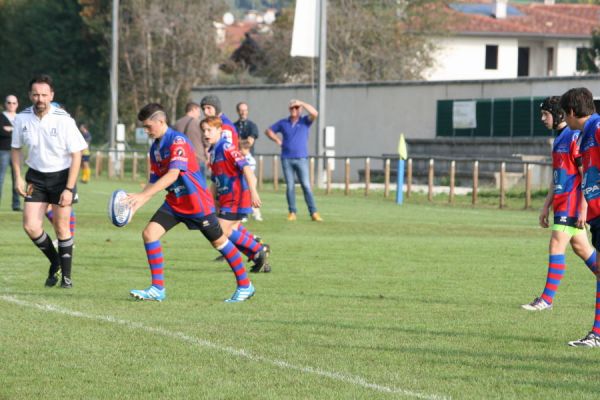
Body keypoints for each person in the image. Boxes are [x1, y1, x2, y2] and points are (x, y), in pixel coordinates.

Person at [126, 103, 255, 302]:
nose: (146, 130)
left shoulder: (178, 141)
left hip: (196, 203)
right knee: (149, 234)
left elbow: (173, 174)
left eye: (148, 126)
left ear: (161, 121)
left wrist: (142, 197)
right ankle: (157, 288)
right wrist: (136, 204)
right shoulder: (155, 148)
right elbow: (153, 180)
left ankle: (245, 285)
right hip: (175, 201)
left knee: (220, 242)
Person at [11, 75, 87, 289]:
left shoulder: (64, 119)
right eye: (36, 94)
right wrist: (17, 177)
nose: (40, 98)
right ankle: (55, 261)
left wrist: (69, 188)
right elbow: (16, 149)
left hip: (62, 177)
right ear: (30, 95)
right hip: (35, 177)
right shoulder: (22, 118)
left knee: (62, 227)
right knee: (30, 226)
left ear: (51, 96)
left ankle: (67, 278)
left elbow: (77, 154)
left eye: (44, 95)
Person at [521, 96, 596, 311]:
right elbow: (557, 178)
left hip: (573, 203)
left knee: (556, 244)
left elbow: (586, 174)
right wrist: (546, 205)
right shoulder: (560, 138)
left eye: (546, 114)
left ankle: (546, 299)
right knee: (582, 248)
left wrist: (583, 207)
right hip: (562, 203)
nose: (543, 118)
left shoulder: (573, 137)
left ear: (560, 114)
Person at [202, 116, 270, 273]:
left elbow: (246, 168)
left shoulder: (227, 147)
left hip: (237, 196)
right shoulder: (212, 152)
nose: (205, 133)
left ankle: (258, 249)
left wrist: (253, 192)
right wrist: (212, 200)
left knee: (221, 230)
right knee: (231, 229)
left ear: (219, 130)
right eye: (203, 130)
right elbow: (215, 180)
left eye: (209, 130)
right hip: (226, 199)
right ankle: (257, 256)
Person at [559, 87, 600, 347]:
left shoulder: (596, 127)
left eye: (565, 114)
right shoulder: (586, 133)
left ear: (572, 112)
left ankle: (597, 333)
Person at [265, 99, 322, 222]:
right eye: (292, 108)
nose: (294, 110)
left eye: (297, 108)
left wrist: (302, 103)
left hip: (301, 158)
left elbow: (315, 113)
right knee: (290, 186)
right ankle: (292, 212)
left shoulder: (305, 121)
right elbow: (268, 131)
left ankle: (314, 212)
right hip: (287, 158)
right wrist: (277, 140)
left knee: (306, 186)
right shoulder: (283, 122)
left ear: (300, 109)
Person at [173, 102, 207, 174]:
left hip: (181, 160)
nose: (199, 114)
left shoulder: (177, 123)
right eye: (198, 111)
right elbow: (206, 142)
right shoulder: (199, 123)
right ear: (193, 110)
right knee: (199, 184)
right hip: (198, 159)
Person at [0, 94, 21, 211]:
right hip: (3, 151)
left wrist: (10, 129)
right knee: (0, 178)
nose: (11, 105)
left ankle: (16, 204)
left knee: (17, 177)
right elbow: (2, 133)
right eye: (9, 102)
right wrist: (14, 130)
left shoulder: (20, 118)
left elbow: (23, 134)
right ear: (5, 104)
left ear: (17, 104)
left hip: (17, 152)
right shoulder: (1, 117)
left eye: (14, 103)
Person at [240, 139, 263, 221]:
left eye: (242, 149)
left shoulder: (250, 160)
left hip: (249, 182)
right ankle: (243, 215)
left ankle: (256, 214)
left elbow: (249, 173)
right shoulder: (241, 158)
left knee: (251, 198)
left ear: (247, 149)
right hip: (242, 181)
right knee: (243, 198)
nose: (240, 151)